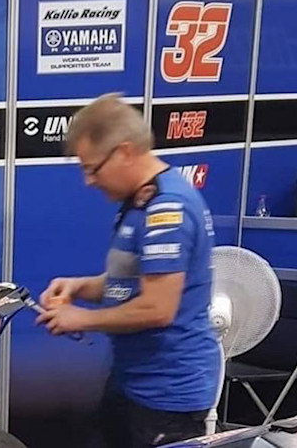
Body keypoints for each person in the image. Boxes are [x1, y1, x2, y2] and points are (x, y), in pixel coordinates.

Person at [35, 93, 221, 448]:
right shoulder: (139, 202)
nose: (88, 181)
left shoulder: (168, 209)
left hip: (166, 396)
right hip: (132, 383)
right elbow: (128, 284)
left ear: (123, 152)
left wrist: (81, 319)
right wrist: (78, 287)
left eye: (92, 168)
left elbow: (158, 307)